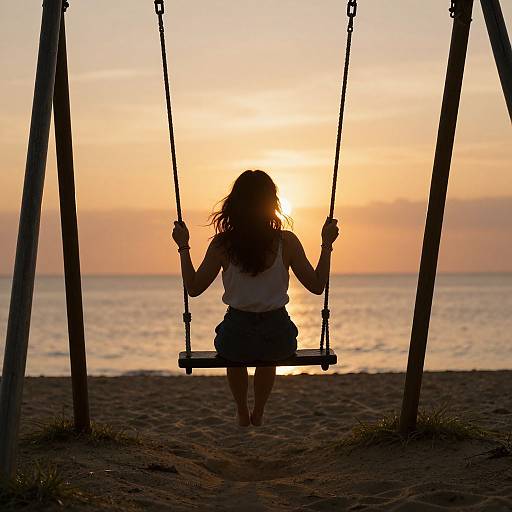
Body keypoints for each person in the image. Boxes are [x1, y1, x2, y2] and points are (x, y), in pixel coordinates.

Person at [172, 170, 339, 426]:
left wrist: (183, 247)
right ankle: (258, 410)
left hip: (236, 337)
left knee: (234, 353)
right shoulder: (287, 241)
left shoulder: (222, 245)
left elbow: (193, 288)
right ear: (271, 203)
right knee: (268, 354)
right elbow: (317, 286)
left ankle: (241, 410)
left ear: (234, 204)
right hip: (277, 337)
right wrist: (326, 244)